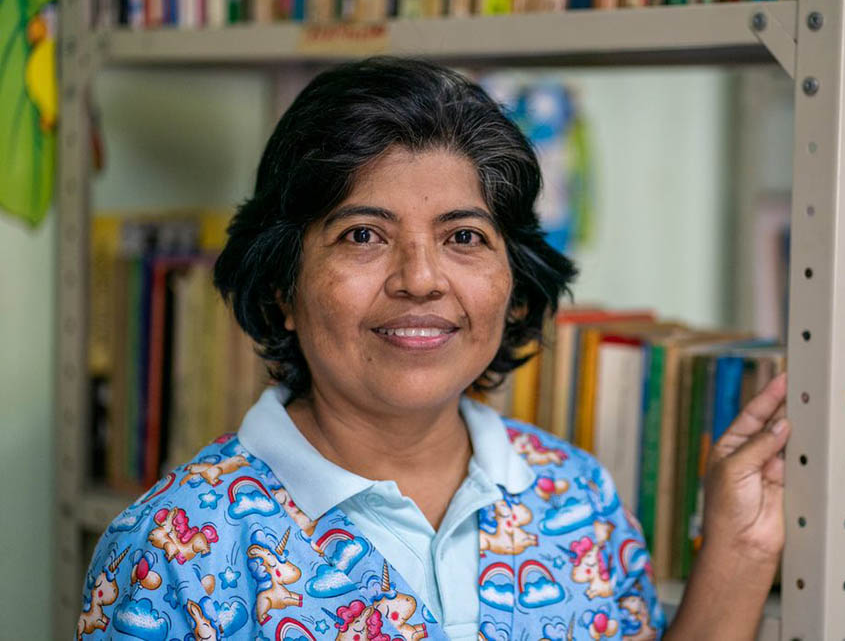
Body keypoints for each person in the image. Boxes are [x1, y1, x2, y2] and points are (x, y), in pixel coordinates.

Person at [79, 57, 789, 640]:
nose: (420, 279)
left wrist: (744, 545)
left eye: (464, 237)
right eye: (363, 234)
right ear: (281, 291)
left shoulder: (576, 496)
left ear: (514, 289)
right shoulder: (172, 550)